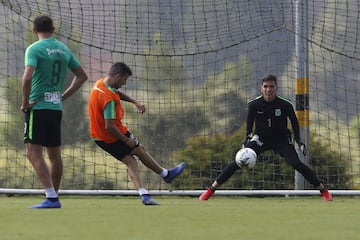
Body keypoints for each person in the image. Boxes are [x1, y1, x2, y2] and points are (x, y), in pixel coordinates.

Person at [199, 74, 333, 202]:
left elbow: (294, 123)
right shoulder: (254, 105)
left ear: (276, 88)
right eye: (266, 86)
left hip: (281, 139)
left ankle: (323, 191)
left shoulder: (285, 105)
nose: (268, 89)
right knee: (238, 161)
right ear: (261, 88)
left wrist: (298, 141)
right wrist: (247, 137)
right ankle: (211, 190)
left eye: (271, 86)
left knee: (296, 163)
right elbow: (249, 124)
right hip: (260, 139)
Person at [88, 62, 185, 205]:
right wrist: (125, 140)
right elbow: (110, 126)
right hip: (111, 135)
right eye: (124, 80)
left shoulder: (101, 84)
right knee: (139, 150)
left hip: (98, 136)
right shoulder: (108, 99)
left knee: (131, 161)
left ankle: (145, 194)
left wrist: (135, 102)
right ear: (118, 76)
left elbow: (117, 92)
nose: (124, 83)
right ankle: (166, 174)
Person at [21, 15, 88, 208]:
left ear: (34, 30)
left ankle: (51, 197)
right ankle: (54, 195)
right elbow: (82, 76)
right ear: (53, 29)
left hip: (38, 107)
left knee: (33, 153)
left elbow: (26, 78)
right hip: (55, 107)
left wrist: (25, 102)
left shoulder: (34, 49)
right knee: (54, 153)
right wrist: (63, 96)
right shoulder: (63, 48)